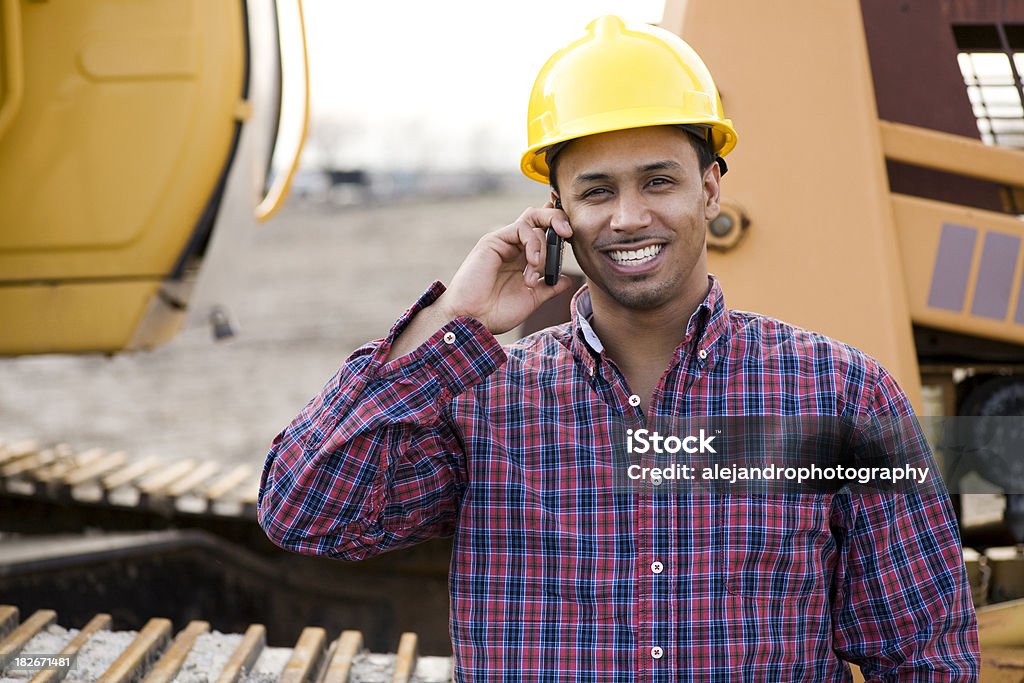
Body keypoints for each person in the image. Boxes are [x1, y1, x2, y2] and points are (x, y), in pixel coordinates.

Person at [258, 15, 979, 681]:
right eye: (596, 191)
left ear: (710, 187)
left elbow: (924, 653)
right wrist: (455, 315)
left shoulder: (840, 395)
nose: (629, 217)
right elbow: (304, 508)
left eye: (658, 181)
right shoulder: (483, 403)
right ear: (557, 212)